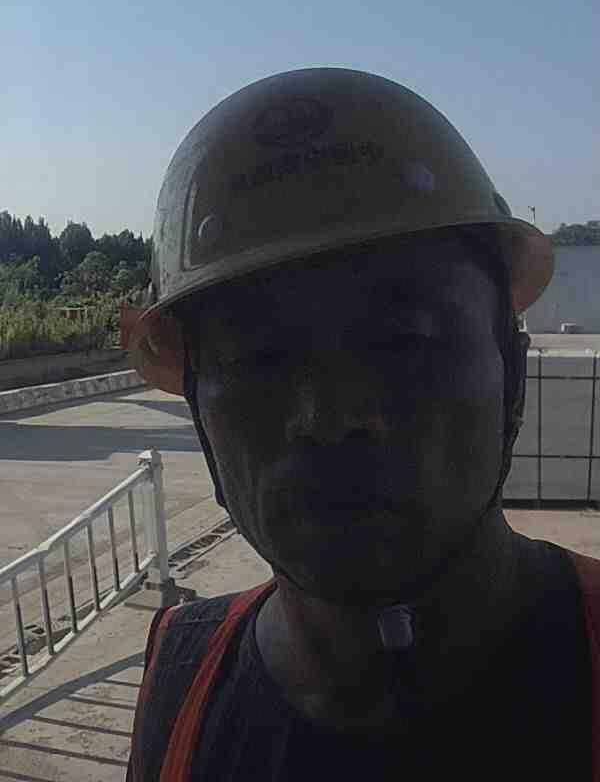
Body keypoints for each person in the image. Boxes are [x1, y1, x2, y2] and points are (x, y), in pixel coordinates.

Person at [126, 69, 599, 781]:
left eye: (404, 339)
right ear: (197, 404)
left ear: (510, 366)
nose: (331, 418)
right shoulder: (181, 672)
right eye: (259, 358)